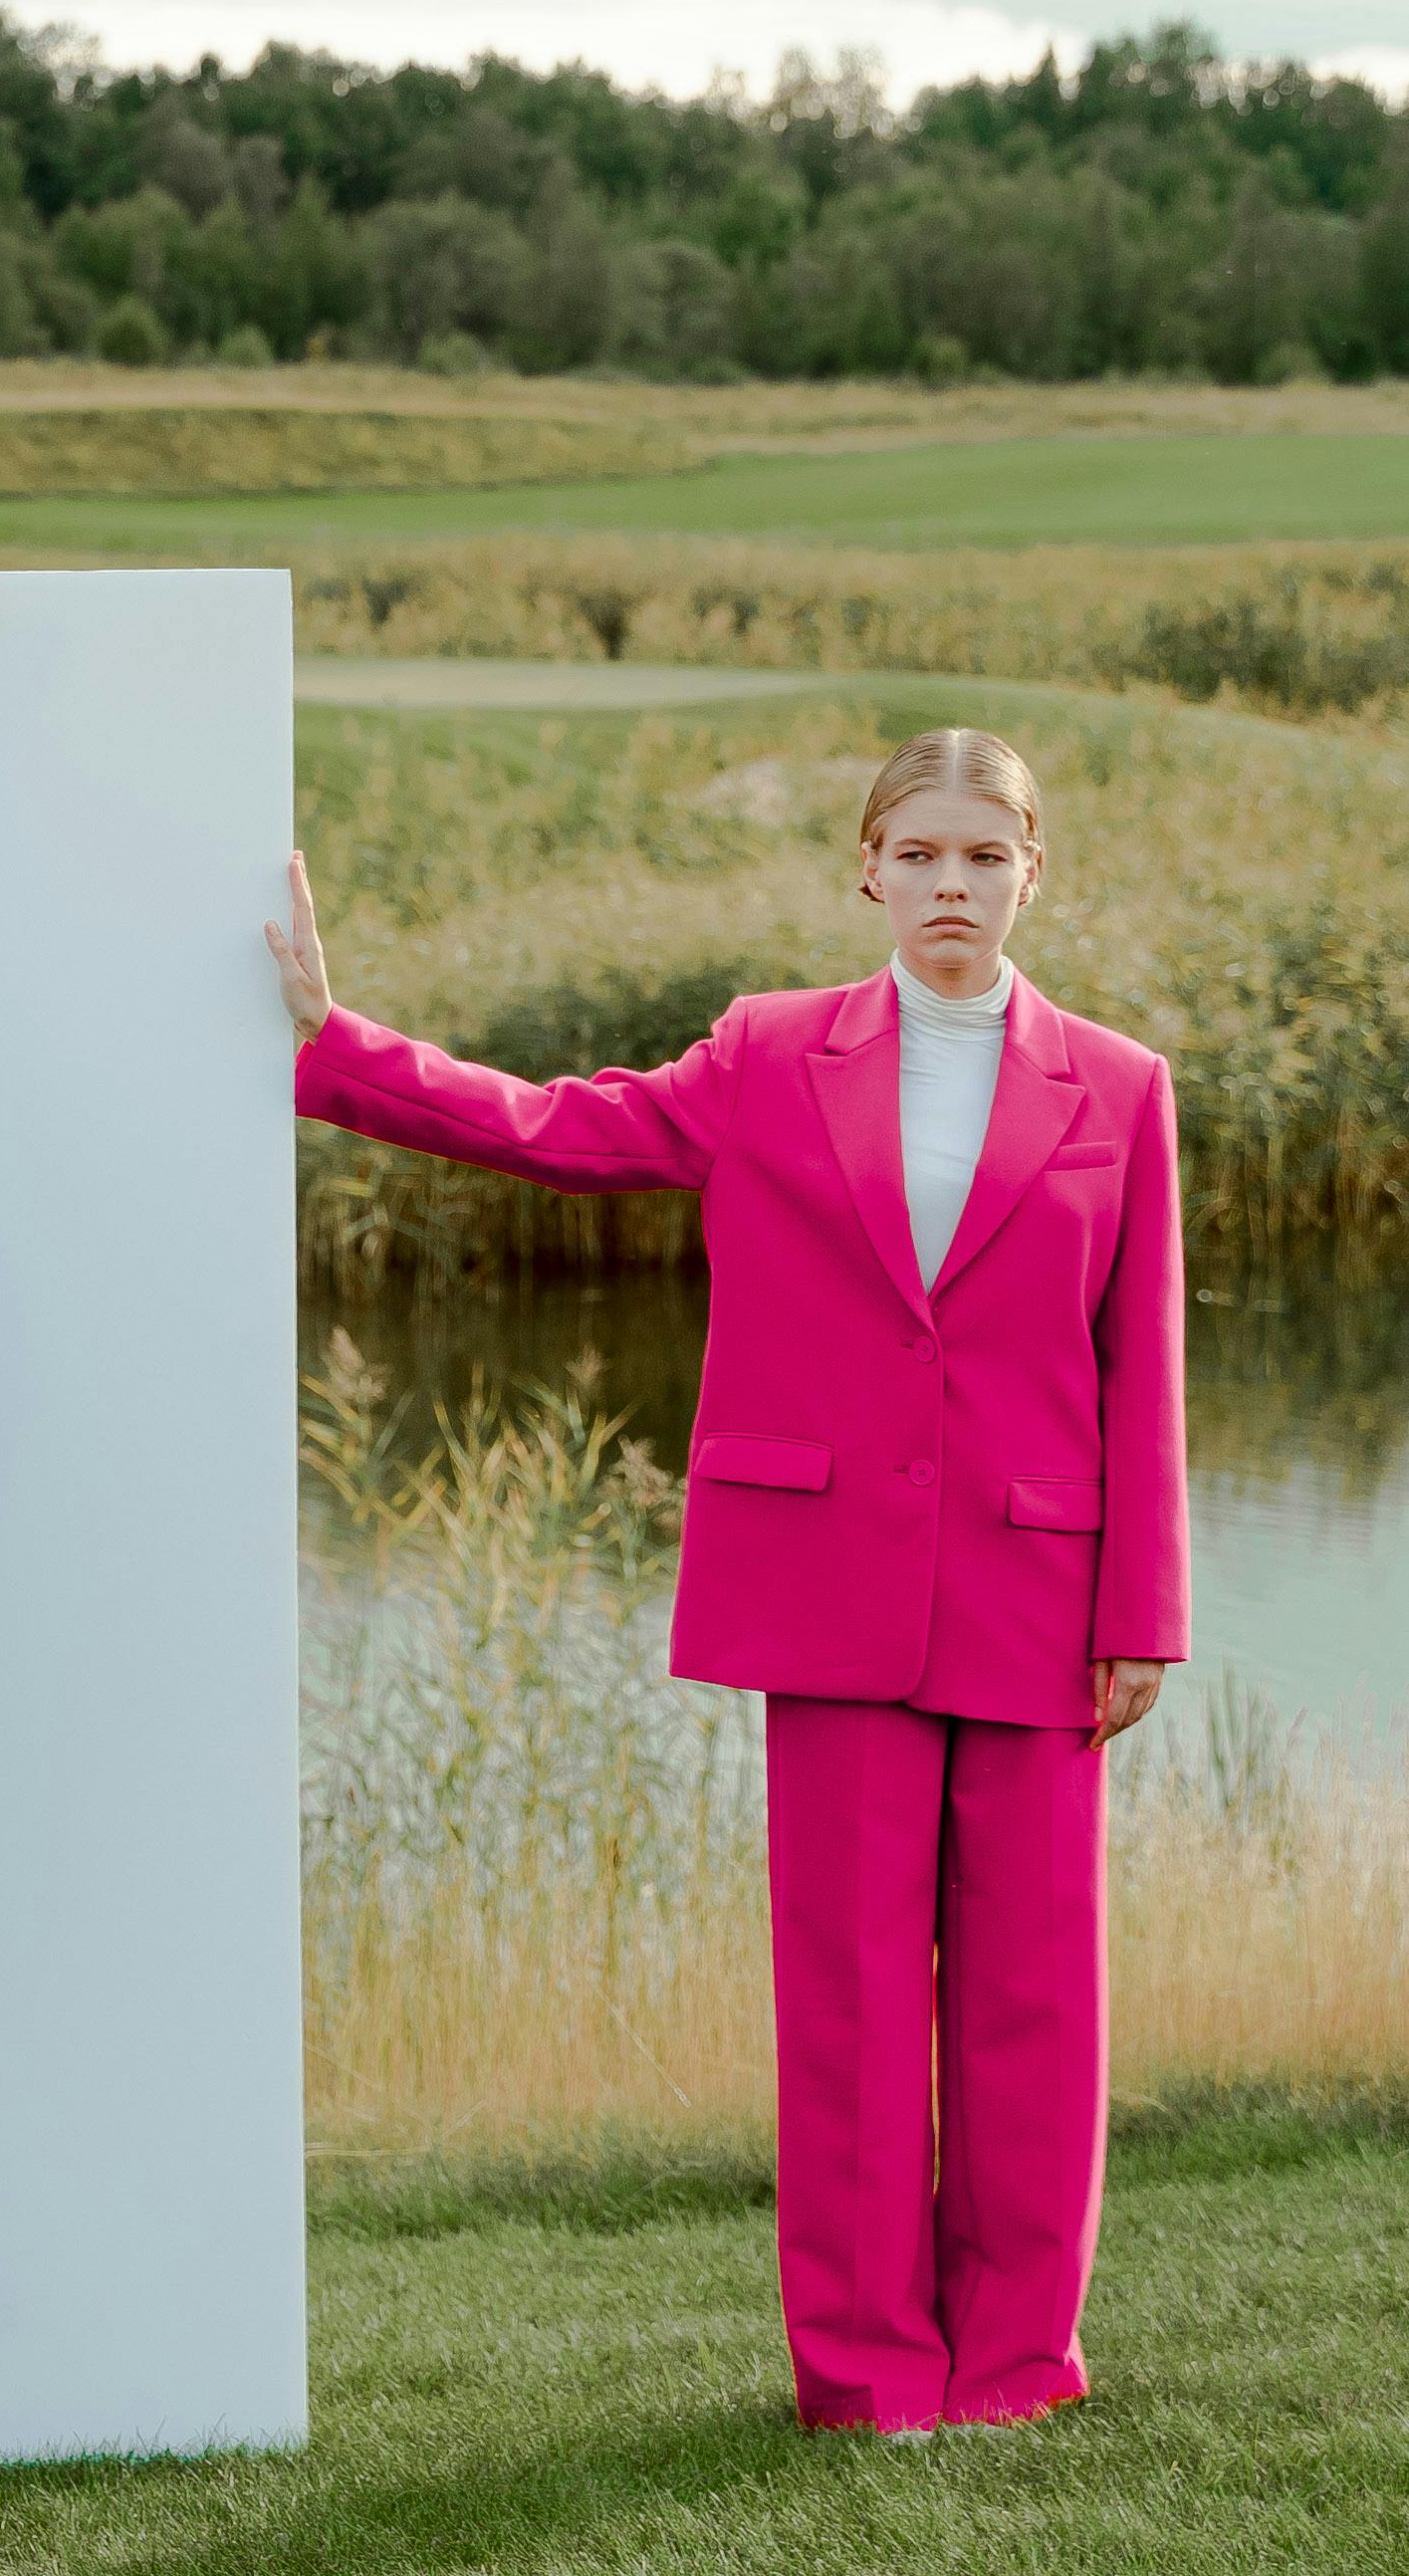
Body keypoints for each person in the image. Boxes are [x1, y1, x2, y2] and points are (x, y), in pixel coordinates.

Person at [273, 726, 1184, 2436]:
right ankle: (863, 2377)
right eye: (916, 854)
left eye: (982, 857)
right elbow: (557, 1127)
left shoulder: (1118, 1088)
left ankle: (1012, 2370)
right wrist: (334, 1045)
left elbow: (1140, 1364)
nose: (948, 887)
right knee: (843, 2002)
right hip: (823, 1584)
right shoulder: (770, 1055)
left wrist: (1143, 1615)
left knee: (1035, 2007)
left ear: (1032, 873)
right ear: (863, 868)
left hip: (1033, 1592)